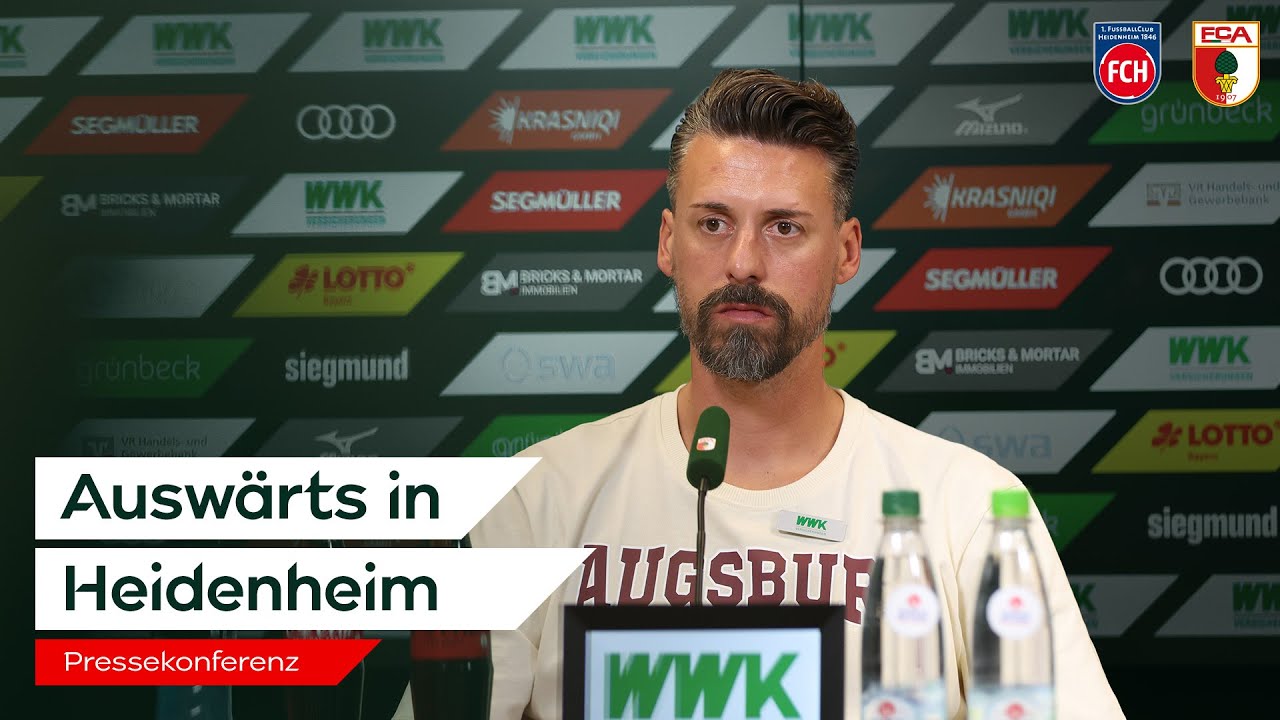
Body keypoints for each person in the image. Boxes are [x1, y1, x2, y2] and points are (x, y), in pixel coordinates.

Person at [393, 68, 1125, 720]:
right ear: (667, 242)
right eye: (713, 223)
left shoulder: (965, 509)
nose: (743, 263)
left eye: (784, 227)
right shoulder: (536, 503)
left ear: (844, 252)